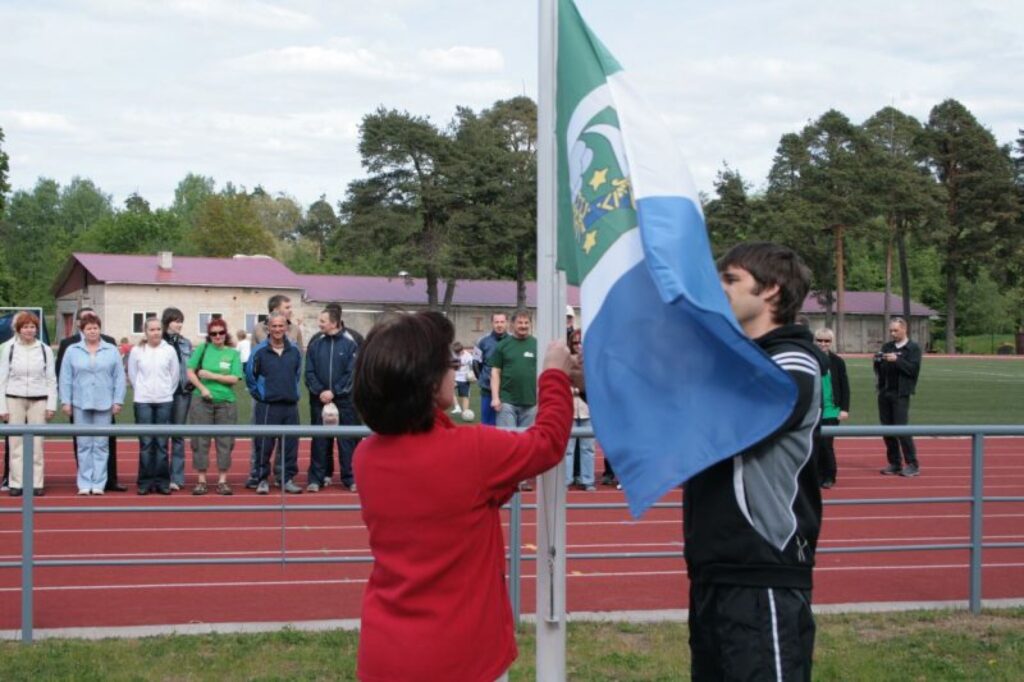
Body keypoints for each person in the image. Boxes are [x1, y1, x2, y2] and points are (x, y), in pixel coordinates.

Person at [352, 311, 574, 682]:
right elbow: (547, 443)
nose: (454, 371)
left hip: (384, 653)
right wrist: (553, 374)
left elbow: (459, 500)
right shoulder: (471, 451)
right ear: (424, 381)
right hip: (462, 657)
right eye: (449, 363)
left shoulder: (366, 457)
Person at [684, 242, 824, 681]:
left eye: (731, 279)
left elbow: (726, 418)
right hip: (715, 568)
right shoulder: (733, 366)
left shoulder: (792, 362)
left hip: (762, 570)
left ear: (771, 290)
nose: (719, 288)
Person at [56, 307, 126, 492]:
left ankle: (98, 484)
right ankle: (84, 483)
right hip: (80, 403)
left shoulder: (111, 350)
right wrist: (66, 401)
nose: (92, 331)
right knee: (84, 445)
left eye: (95, 328)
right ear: (82, 330)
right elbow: (65, 377)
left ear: (99, 329)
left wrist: (118, 401)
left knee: (101, 445)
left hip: (105, 403)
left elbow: (119, 377)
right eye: (88, 328)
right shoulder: (72, 350)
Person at [245, 294, 304, 488]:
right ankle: (262, 479)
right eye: (274, 326)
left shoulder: (294, 350)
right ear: (268, 328)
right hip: (268, 405)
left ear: (286, 328)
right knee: (264, 444)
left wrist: (289, 391)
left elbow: (297, 374)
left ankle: (286, 479)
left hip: (289, 404)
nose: (278, 329)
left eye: (281, 326)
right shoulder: (259, 351)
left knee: (290, 445)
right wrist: (261, 394)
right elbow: (250, 377)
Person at [0, 312, 57, 496]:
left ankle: (36, 482)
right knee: (15, 443)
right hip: (14, 398)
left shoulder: (44, 350)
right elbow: (2, 378)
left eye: (32, 327)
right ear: (18, 329)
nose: (28, 330)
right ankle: (16, 482)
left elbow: (51, 379)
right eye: (25, 327)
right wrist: (2, 407)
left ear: (36, 329)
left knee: (37, 444)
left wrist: (51, 405)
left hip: (39, 400)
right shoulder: (9, 349)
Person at [304, 305, 359, 493]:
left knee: (346, 440)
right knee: (320, 440)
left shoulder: (350, 343)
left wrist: (334, 392)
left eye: (322, 321)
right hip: (319, 400)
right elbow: (309, 371)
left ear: (334, 323)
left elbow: (351, 373)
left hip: (344, 401)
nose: (319, 324)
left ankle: (350, 478)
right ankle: (316, 478)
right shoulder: (316, 343)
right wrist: (321, 391)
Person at [187, 318, 243, 496]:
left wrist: (211, 376)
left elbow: (235, 378)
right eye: (213, 333)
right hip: (201, 402)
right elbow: (190, 371)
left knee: (225, 442)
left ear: (226, 334)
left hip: (226, 403)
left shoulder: (233, 354)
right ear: (209, 336)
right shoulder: (202, 350)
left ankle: (222, 481)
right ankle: (201, 480)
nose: (217, 336)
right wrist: (202, 388)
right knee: (200, 441)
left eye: (220, 332)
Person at [127, 318, 179, 495]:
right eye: (152, 329)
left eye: (158, 329)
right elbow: (133, 375)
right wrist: (143, 391)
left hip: (164, 401)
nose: (156, 332)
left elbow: (174, 375)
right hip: (143, 401)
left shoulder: (169, 350)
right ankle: (145, 482)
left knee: (162, 443)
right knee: (146, 443)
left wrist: (165, 392)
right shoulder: (136, 351)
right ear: (145, 332)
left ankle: (163, 482)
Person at [490, 310, 538, 490]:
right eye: (520, 323)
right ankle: (508, 478)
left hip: (530, 402)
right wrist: (495, 397)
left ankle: (522, 479)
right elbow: (495, 372)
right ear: (512, 325)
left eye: (526, 323)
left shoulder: (536, 345)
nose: (523, 326)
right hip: (507, 400)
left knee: (526, 443)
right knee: (507, 441)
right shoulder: (503, 346)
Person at [874, 317, 922, 477]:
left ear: (904, 329)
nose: (893, 333)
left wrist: (897, 360)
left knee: (901, 429)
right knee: (887, 430)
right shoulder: (887, 346)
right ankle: (895, 463)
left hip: (901, 394)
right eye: (891, 331)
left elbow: (913, 370)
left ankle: (912, 464)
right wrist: (878, 360)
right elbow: (880, 369)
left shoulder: (913, 348)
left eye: (895, 330)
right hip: (885, 392)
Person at [161, 307, 193, 491]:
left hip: (182, 394)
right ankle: (162, 475)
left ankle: (177, 478)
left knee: (178, 436)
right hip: (163, 395)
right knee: (163, 435)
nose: (179, 324)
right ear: (167, 322)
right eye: (175, 320)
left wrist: (191, 382)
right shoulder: (159, 342)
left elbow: (191, 367)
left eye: (181, 321)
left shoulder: (186, 343)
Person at [815, 327, 850, 489]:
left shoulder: (837, 361)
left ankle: (829, 476)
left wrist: (844, 409)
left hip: (831, 410)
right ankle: (816, 475)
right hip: (813, 410)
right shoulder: (810, 359)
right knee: (814, 445)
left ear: (831, 342)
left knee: (826, 445)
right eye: (820, 340)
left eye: (827, 341)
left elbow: (845, 387)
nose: (823, 344)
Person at [563, 329, 595, 491]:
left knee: (587, 447)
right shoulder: (566, 361)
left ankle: (588, 480)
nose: (578, 345)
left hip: (587, 409)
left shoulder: (592, 360)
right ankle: (567, 480)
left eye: (580, 342)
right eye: (575, 342)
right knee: (568, 448)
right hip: (570, 408)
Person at [473, 312, 508, 426]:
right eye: (496, 322)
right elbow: (476, 364)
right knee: (487, 425)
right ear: (492, 323)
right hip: (487, 390)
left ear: (506, 323)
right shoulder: (481, 341)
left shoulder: (513, 340)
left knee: (507, 426)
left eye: (502, 322)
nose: (499, 325)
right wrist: (484, 379)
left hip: (507, 391)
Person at [453, 341, 475, 416]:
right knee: (449, 390)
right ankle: (457, 407)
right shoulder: (453, 355)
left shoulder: (468, 356)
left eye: (460, 352)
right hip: (455, 378)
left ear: (462, 349)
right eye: (457, 353)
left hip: (465, 379)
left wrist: (473, 376)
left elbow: (474, 366)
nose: (458, 354)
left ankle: (465, 412)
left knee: (465, 396)